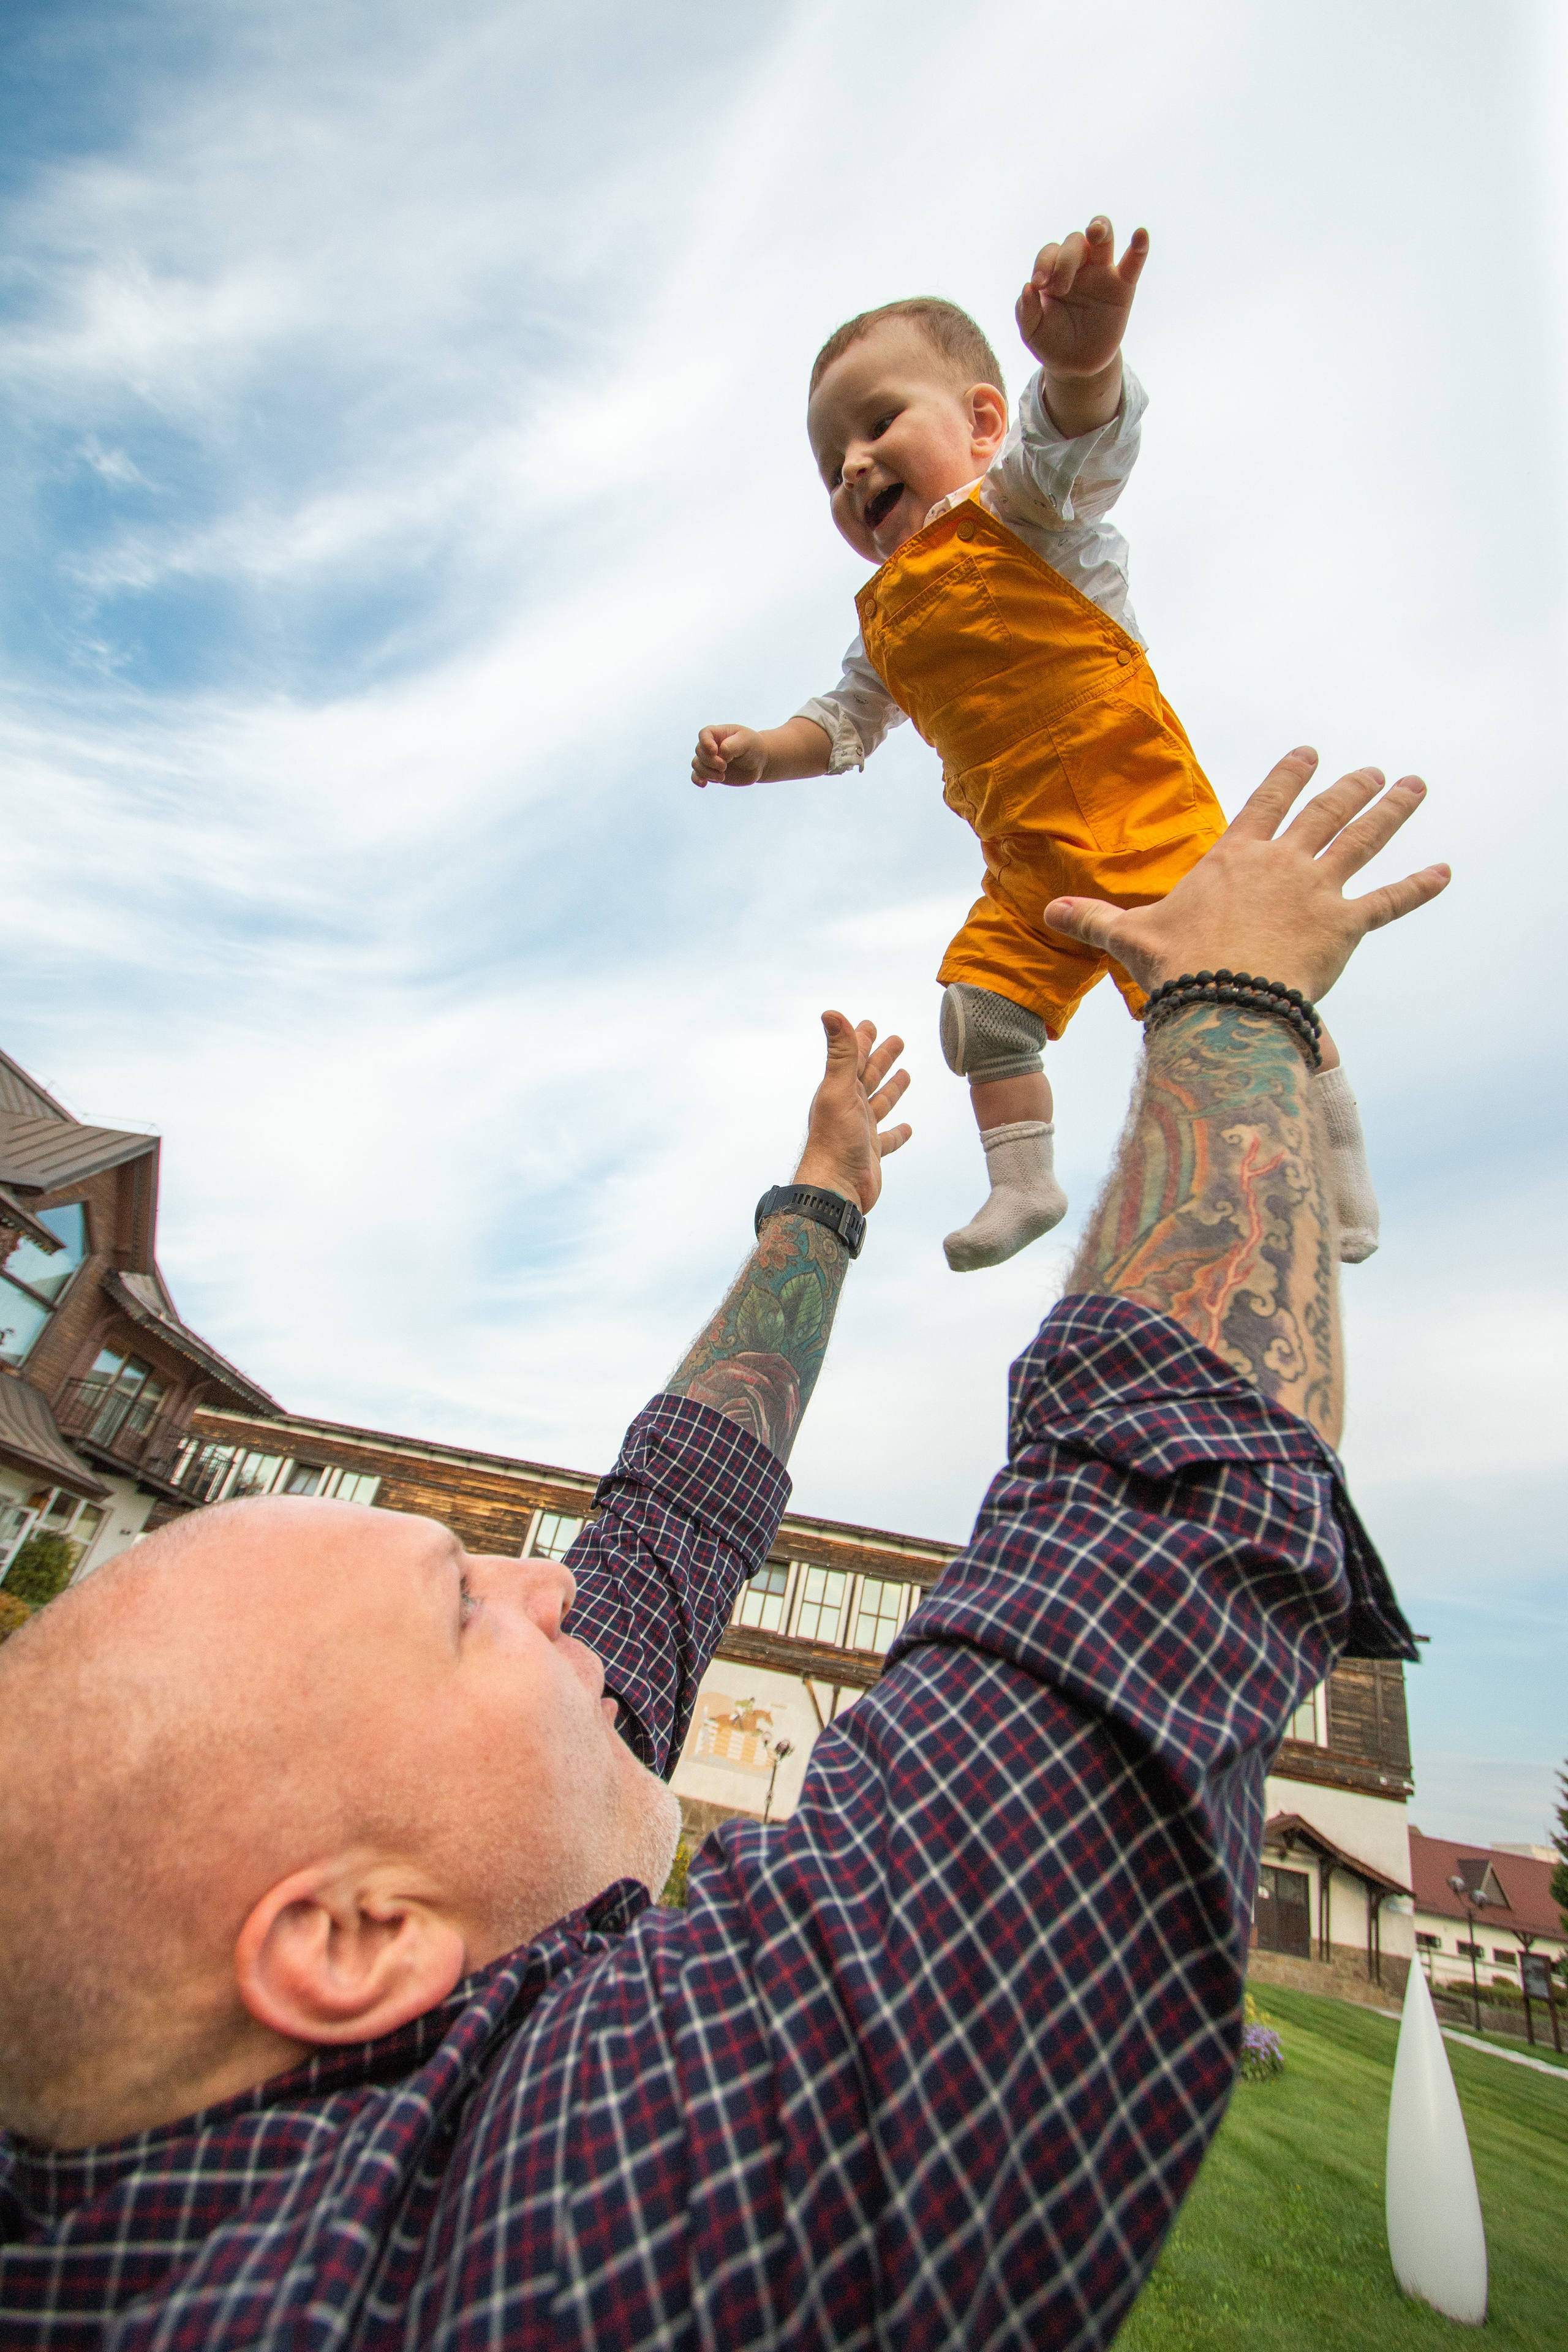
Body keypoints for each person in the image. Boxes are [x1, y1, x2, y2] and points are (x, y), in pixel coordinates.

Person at [0, 750, 1446, 2351]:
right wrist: (1234, 999)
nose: (547, 1580)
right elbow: (1133, 1604)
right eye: (466, 1611)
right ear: (350, 1942)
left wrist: (820, 1201)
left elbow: (671, 1530)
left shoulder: (347, 2013)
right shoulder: (477, 2293)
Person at [690, 219, 1380, 1273]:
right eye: (832, 462)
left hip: (1144, 819)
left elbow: (1079, 440)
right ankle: (1026, 1183)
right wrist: (758, 754)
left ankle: (1335, 1172)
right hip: (1028, 869)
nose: (854, 465)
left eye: (877, 424)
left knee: (1234, 990)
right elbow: (841, 725)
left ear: (979, 423)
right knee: (979, 1014)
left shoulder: (1023, 510)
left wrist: (1085, 360)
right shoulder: (883, 621)